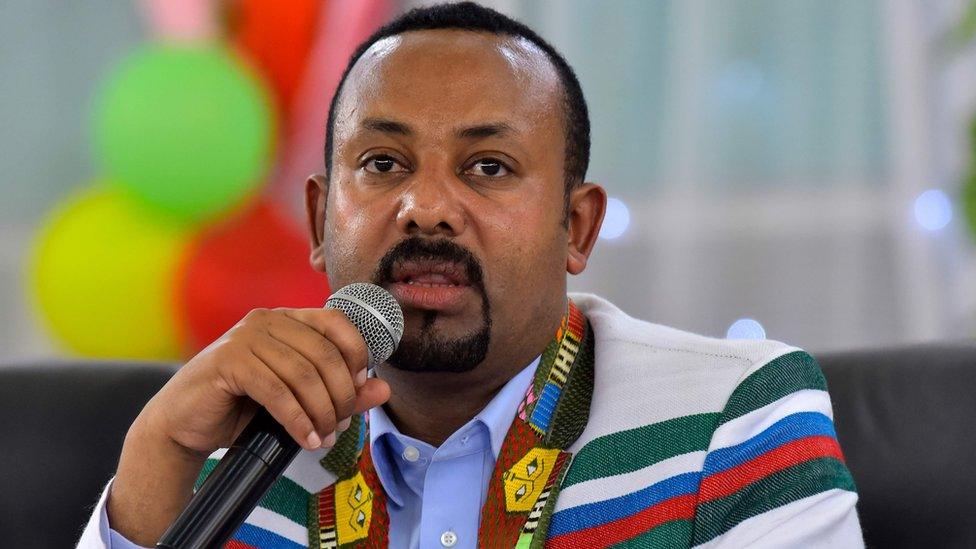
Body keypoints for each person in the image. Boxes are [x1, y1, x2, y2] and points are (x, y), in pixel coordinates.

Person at [78, 3, 864, 548]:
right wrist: (152, 462)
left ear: (577, 226)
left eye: (488, 166)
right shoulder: (224, 443)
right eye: (383, 163)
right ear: (319, 222)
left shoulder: (731, 416)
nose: (426, 208)